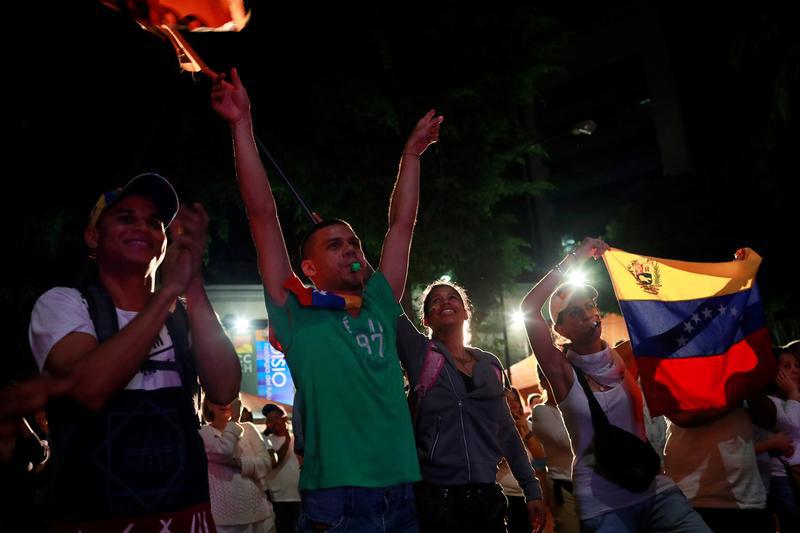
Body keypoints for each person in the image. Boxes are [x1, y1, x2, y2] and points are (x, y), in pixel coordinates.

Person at [212, 68, 442, 532]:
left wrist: (411, 155)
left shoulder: (379, 300)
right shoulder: (295, 310)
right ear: (309, 269)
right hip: (336, 500)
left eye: (353, 242)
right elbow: (262, 213)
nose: (352, 250)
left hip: (402, 492)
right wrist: (242, 125)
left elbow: (402, 225)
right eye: (335, 245)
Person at [28, 173, 241, 531]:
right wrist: (169, 292)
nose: (142, 227)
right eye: (125, 218)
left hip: (185, 516)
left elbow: (224, 389)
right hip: (94, 518)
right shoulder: (64, 304)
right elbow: (88, 390)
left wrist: (193, 281)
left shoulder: (183, 314)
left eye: (154, 222)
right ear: (93, 236)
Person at [520, 237, 709, 532]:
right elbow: (529, 309)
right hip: (602, 505)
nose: (587, 314)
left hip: (654, 488)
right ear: (560, 329)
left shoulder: (625, 358)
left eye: (590, 305)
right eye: (575, 312)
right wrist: (575, 258)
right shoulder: (562, 373)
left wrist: (729, 286)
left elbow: (685, 322)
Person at [396, 280, 547, 533]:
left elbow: (507, 433)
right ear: (426, 321)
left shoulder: (490, 365)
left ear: (466, 311)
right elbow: (386, 301)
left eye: (453, 297)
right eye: (436, 300)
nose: (445, 301)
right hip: (436, 501)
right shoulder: (420, 353)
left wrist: (532, 491)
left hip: (487, 501)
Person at [201, 396, 276, 533]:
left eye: (230, 397)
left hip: (260, 514)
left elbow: (266, 464)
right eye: (218, 399)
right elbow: (224, 451)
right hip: (226, 521)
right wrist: (234, 421)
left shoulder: (249, 429)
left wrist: (240, 463)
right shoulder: (204, 433)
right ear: (209, 406)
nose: (225, 402)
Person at [530, 371, 579, 533]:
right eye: (550, 377)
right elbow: (566, 441)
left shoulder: (576, 405)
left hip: (590, 484)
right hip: (564, 486)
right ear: (542, 383)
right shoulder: (541, 411)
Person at [762, 341, 800, 531]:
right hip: (783, 475)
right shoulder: (771, 402)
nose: (795, 370)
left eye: (796, 366)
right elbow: (793, 423)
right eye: (786, 367)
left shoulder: (790, 399)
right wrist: (793, 391)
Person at [262, 404, 301, 533]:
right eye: (270, 420)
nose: (274, 422)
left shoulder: (298, 439)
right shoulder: (266, 442)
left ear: (284, 419)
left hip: (299, 497)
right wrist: (287, 440)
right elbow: (274, 461)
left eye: (276, 418)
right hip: (278, 500)